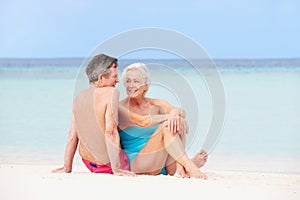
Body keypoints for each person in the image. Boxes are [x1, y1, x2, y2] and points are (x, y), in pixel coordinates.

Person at [118, 62, 208, 179]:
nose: (131, 85)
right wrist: (170, 116)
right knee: (168, 124)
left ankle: (181, 168)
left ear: (146, 85)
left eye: (136, 81)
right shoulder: (121, 107)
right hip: (138, 164)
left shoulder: (155, 104)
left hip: (161, 164)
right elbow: (143, 121)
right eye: (128, 81)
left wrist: (175, 114)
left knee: (176, 122)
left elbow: (181, 111)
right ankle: (189, 166)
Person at [52, 54, 135, 176]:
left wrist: (67, 167)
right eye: (115, 76)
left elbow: (72, 135)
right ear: (101, 78)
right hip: (109, 165)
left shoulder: (78, 97)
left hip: (89, 163)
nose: (118, 80)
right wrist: (117, 169)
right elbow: (110, 132)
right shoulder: (111, 92)